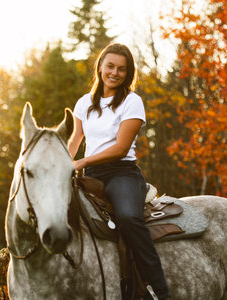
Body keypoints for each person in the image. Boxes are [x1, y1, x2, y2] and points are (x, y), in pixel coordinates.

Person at [68, 43, 170, 300]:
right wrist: (65, 163)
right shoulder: (83, 103)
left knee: (127, 218)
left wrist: (80, 162)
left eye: (121, 69)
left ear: (128, 73)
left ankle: (159, 290)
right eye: (110, 66)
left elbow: (120, 147)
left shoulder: (131, 101)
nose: (114, 73)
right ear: (100, 66)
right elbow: (75, 139)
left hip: (121, 173)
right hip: (90, 175)